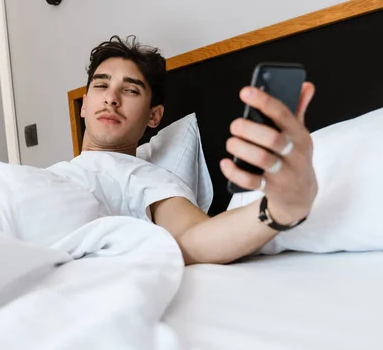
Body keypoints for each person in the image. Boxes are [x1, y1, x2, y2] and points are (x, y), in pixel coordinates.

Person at [80, 35, 317, 265]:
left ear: (154, 116)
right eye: (101, 85)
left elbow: (194, 237)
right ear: (83, 105)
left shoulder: (141, 178)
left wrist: (280, 210)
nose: (111, 98)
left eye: (131, 90)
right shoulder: (57, 172)